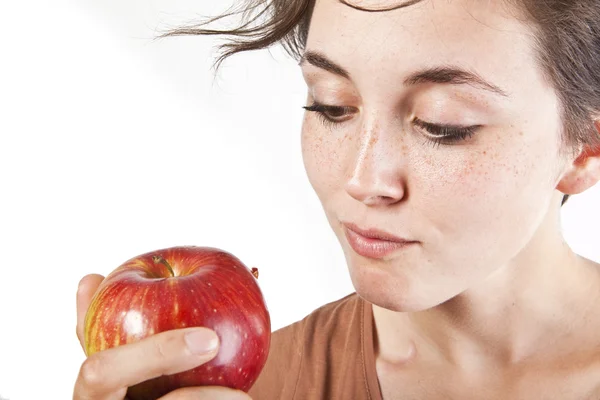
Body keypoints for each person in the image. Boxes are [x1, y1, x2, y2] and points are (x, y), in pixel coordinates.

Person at [73, 0, 600, 398]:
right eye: (332, 106)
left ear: (585, 149)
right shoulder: (252, 388)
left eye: (442, 125)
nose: (362, 179)